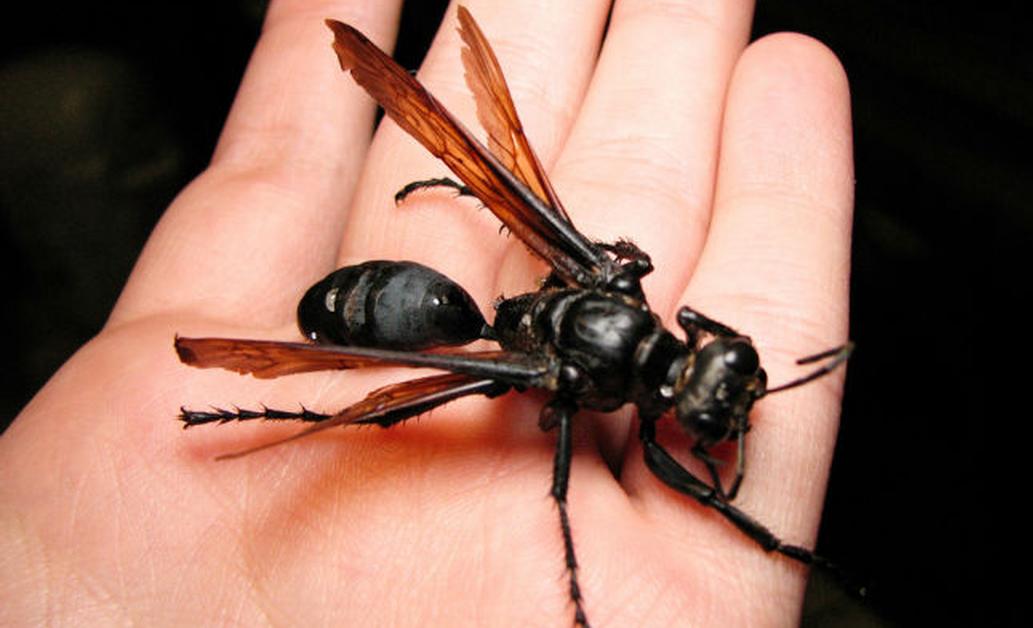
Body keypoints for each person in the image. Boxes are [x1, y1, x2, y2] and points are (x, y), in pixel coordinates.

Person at [0, 1, 853, 624]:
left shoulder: (609, 283)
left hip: (479, 307)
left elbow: (615, 278)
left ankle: (273, 405)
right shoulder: (571, 374)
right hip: (440, 323)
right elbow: (575, 428)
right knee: (430, 387)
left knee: (456, 349)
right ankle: (278, 407)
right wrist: (567, 515)